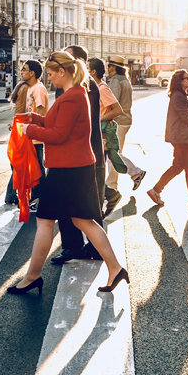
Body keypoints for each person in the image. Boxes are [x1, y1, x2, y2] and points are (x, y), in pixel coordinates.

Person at [8, 51, 128, 295]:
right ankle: (115, 268)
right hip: (74, 167)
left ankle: (32, 277)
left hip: (68, 169)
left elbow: (59, 135)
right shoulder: (74, 94)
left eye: (51, 74)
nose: (49, 78)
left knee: (45, 220)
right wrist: (34, 118)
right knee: (82, 220)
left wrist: (30, 130)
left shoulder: (73, 97)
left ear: (62, 72)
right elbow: (57, 126)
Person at [52, 45, 108, 265]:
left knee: (75, 204)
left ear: (74, 61)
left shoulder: (77, 85)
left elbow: (67, 123)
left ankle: (78, 246)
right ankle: (88, 247)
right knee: (83, 204)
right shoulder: (84, 84)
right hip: (85, 151)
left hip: (78, 153)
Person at [145, 70, 188, 209]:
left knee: (178, 166)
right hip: (182, 137)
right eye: (187, 78)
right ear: (180, 81)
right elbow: (186, 117)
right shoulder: (178, 96)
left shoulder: (180, 95)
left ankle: (156, 190)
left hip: (181, 136)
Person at [103, 55, 147, 204]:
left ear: (114, 67)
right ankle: (130, 176)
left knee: (113, 155)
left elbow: (112, 102)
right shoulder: (125, 80)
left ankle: (120, 181)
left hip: (117, 121)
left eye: (109, 66)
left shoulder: (115, 80)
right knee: (113, 153)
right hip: (125, 120)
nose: (107, 69)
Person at [5, 60, 49, 205]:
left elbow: (40, 115)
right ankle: (37, 197)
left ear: (32, 73)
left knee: (38, 168)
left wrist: (33, 130)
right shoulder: (31, 88)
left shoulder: (38, 89)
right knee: (32, 168)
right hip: (30, 135)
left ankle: (42, 198)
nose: (21, 72)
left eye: (24, 69)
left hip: (35, 136)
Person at [88, 58, 126, 215]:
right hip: (95, 133)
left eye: (86, 68)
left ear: (93, 72)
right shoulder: (94, 87)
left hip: (101, 135)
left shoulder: (102, 88)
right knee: (93, 172)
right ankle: (108, 196)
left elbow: (118, 110)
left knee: (94, 171)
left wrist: (97, 118)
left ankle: (110, 195)